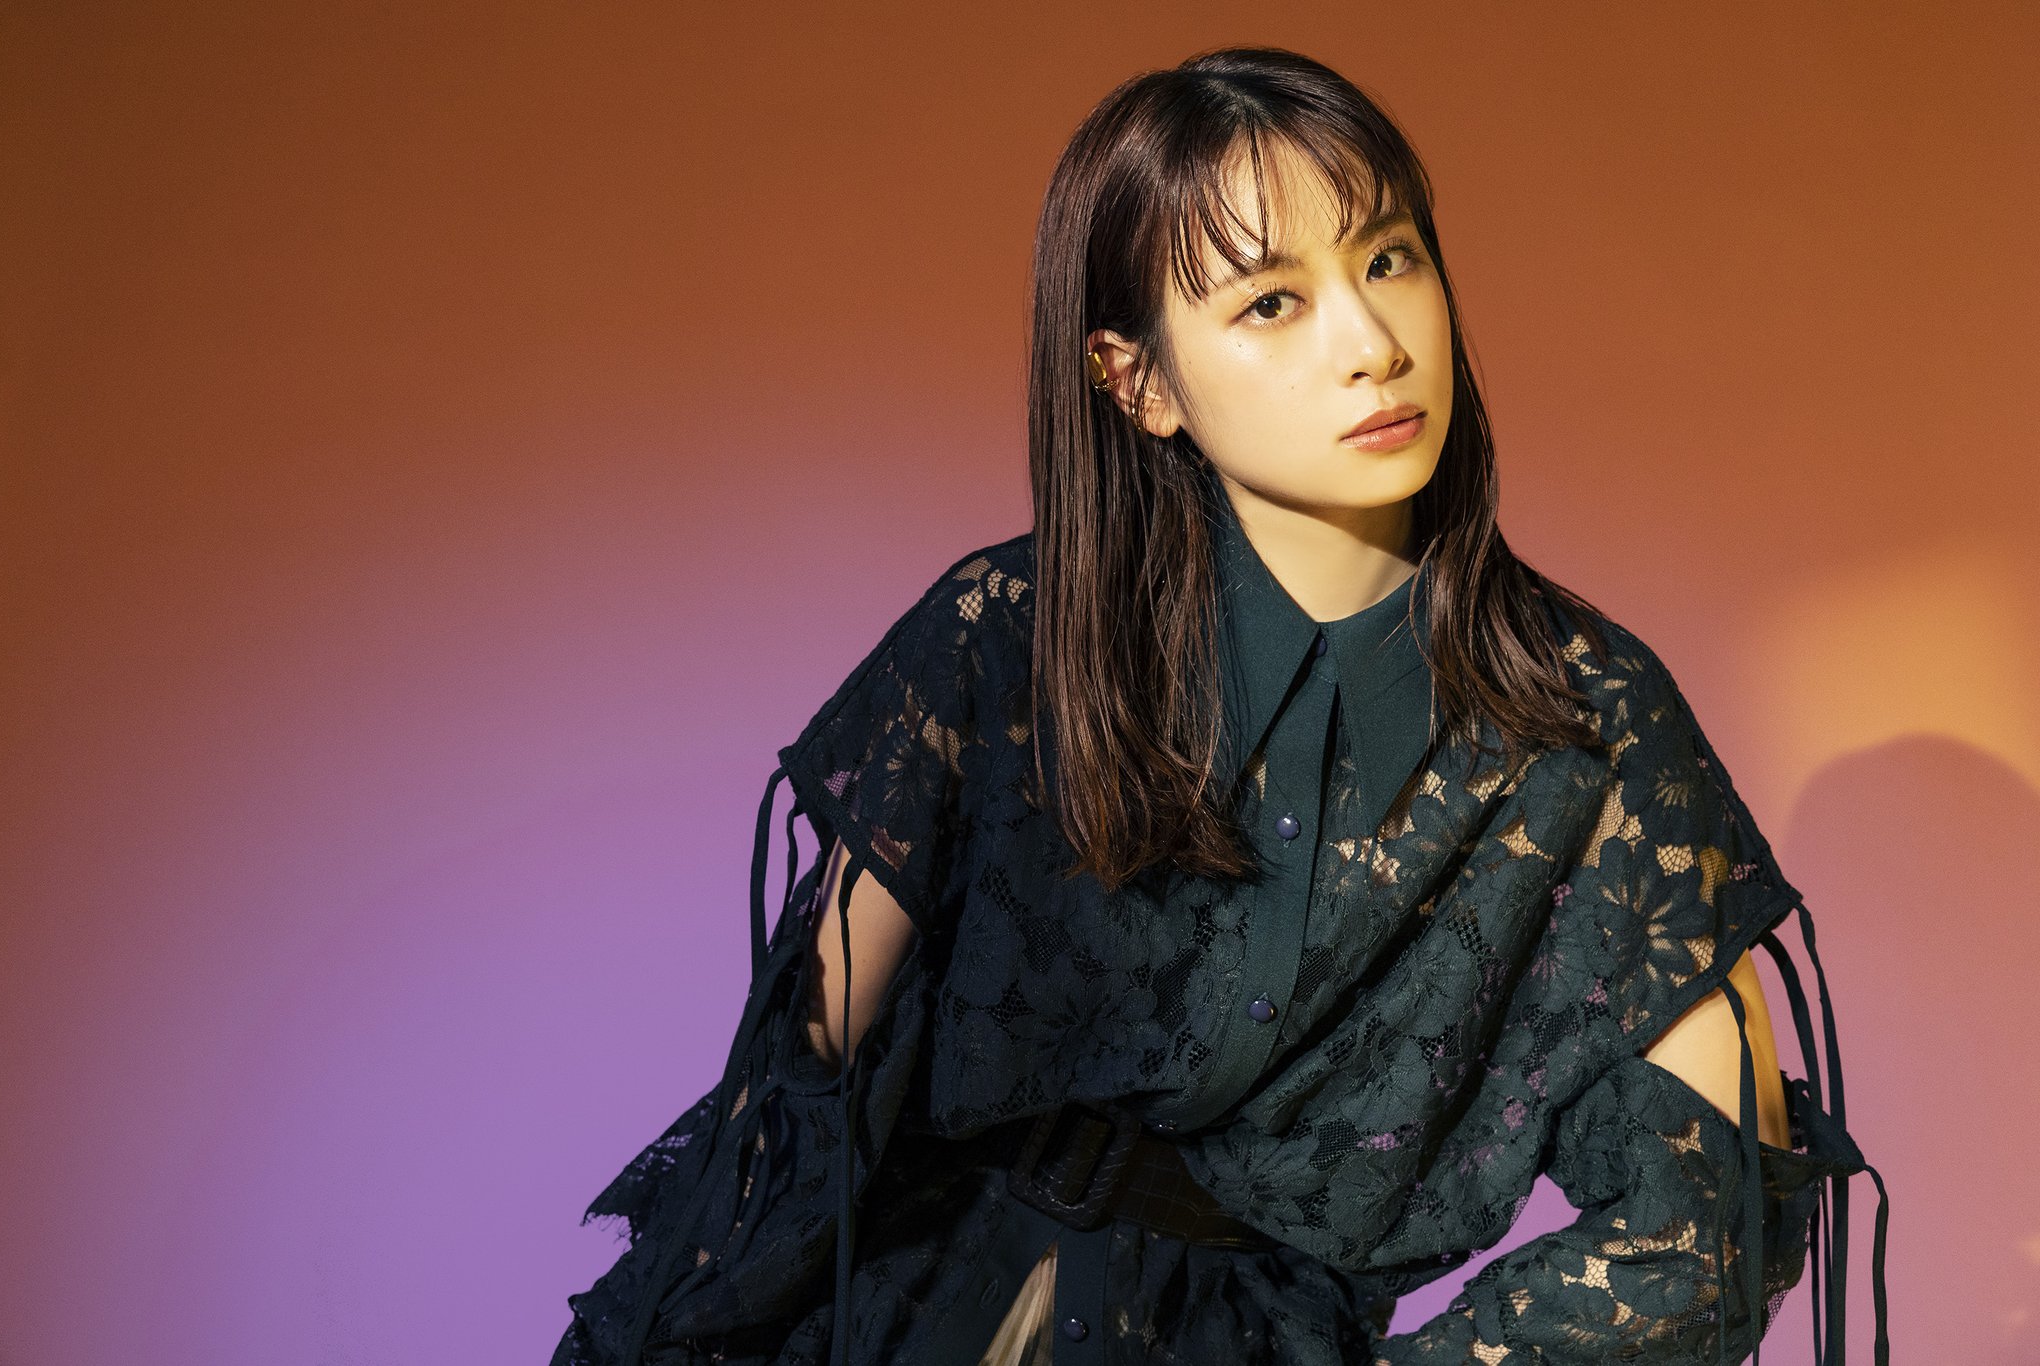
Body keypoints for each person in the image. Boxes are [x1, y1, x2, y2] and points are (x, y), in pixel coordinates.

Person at [551, 46, 1889, 1366]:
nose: (1372, 345)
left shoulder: (1585, 723)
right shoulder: (1005, 640)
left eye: (1389, 259)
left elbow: (1699, 1239)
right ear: (1137, 382)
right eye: (1271, 303)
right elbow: (794, 1101)